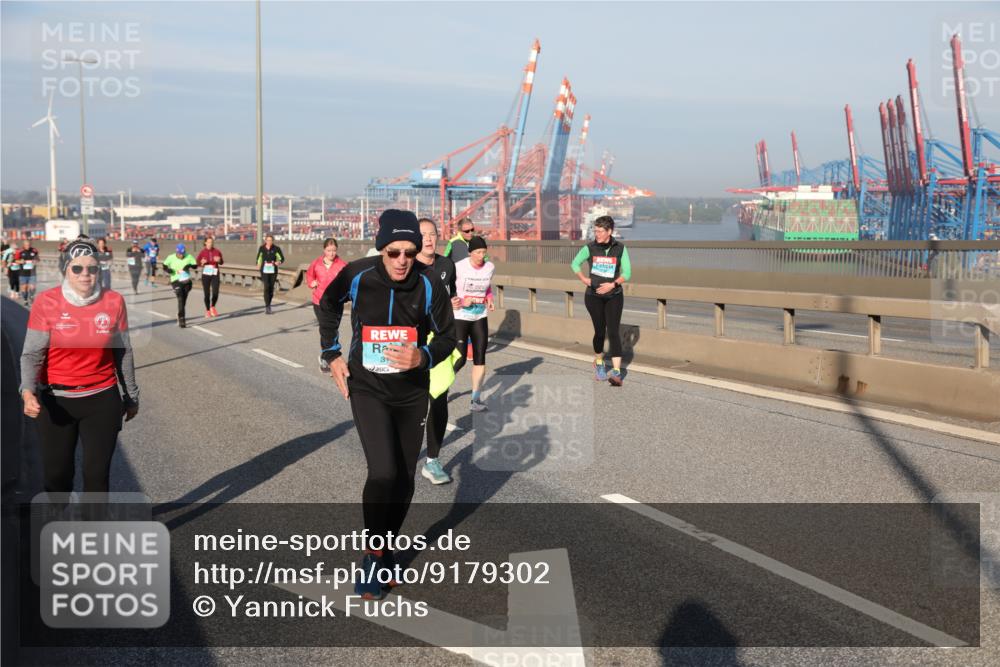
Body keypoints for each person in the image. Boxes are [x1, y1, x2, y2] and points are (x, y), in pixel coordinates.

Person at [318, 209, 456, 600]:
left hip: (412, 392)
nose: (402, 260)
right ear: (382, 249)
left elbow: (448, 335)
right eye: (393, 252)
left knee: (405, 479)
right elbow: (327, 304)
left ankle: (386, 549)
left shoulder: (430, 284)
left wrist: (424, 357)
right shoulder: (359, 275)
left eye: (409, 252)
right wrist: (332, 354)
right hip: (369, 388)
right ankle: (373, 554)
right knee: (382, 472)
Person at [19, 237, 139, 494]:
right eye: (77, 268)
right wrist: (27, 391)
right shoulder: (46, 302)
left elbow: (123, 351)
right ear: (66, 270)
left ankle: (93, 531)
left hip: (101, 398)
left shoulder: (114, 301)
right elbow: (32, 354)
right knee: (57, 477)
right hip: (56, 400)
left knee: (96, 476)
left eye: (92, 268)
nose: (86, 274)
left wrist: (131, 396)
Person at [415, 218, 460, 485]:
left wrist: (452, 301)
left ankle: (432, 460)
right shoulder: (408, 265)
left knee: (440, 399)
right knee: (412, 402)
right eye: (423, 235)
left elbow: (451, 293)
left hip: (440, 340)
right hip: (413, 341)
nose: (429, 239)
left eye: (433, 234)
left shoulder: (446, 265)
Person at [570, 215, 632, 386]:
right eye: (595, 230)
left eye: (599, 231)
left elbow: (627, 273)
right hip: (593, 296)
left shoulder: (620, 248)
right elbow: (574, 264)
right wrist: (584, 279)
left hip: (614, 296)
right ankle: (599, 363)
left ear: (609, 232)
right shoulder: (590, 248)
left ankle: (617, 372)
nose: (596, 233)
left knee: (613, 331)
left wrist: (612, 284)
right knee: (600, 331)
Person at [452, 235, 496, 411]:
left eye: (484, 252)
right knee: (460, 358)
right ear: (470, 252)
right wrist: (462, 300)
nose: (481, 256)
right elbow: (449, 288)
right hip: (460, 316)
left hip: (480, 316)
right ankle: (441, 385)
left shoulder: (490, 267)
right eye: (477, 252)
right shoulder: (459, 267)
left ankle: (475, 400)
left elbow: (488, 286)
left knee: (480, 357)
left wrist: (490, 298)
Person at [307, 238, 348, 371]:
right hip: (319, 301)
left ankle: (330, 356)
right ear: (324, 250)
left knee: (333, 329)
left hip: (336, 302)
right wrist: (312, 282)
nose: (331, 253)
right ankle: (327, 359)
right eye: (329, 250)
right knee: (325, 329)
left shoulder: (342, 265)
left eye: (334, 250)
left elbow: (347, 282)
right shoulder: (316, 263)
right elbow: (309, 275)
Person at [162, 243, 198, 327]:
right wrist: (168, 270)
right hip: (175, 280)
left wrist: (188, 265)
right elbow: (164, 265)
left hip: (186, 281)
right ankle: (182, 319)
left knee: (183, 300)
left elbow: (195, 266)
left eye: (183, 254)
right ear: (176, 252)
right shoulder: (171, 257)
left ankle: (179, 313)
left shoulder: (189, 256)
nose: (181, 255)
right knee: (180, 298)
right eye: (179, 254)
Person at [196, 236, 225, 318]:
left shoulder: (217, 251)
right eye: (208, 242)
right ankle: (207, 310)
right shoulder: (202, 252)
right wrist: (201, 262)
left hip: (215, 273)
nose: (210, 243)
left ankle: (212, 306)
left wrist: (219, 260)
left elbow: (222, 262)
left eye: (211, 242)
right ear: (205, 243)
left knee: (216, 292)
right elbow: (197, 263)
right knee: (207, 294)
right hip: (206, 274)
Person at [256, 234, 284, 314]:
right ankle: (267, 306)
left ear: (273, 241)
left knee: (271, 288)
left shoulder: (276, 249)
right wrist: (258, 264)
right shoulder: (262, 248)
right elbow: (259, 257)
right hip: (264, 270)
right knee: (266, 286)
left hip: (273, 270)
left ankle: (269, 303)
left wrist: (278, 262)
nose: (269, 242)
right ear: (265, 241)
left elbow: (282, 258)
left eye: (270, 240)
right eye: (267, 240)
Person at [16, 239, 40, 305]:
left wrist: (36, 261)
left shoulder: (34, 250)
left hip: (32, 272)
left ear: (31, 244)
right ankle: (25, 299)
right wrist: (20, 261)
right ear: (23, 245)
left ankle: (31, 296)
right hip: (23, 273)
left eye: (29, 245)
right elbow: (15, 260)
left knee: (33, 287)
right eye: (26, 245)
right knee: (24, 287)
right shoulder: (19, 251)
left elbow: (38, 258)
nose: (28, 246)